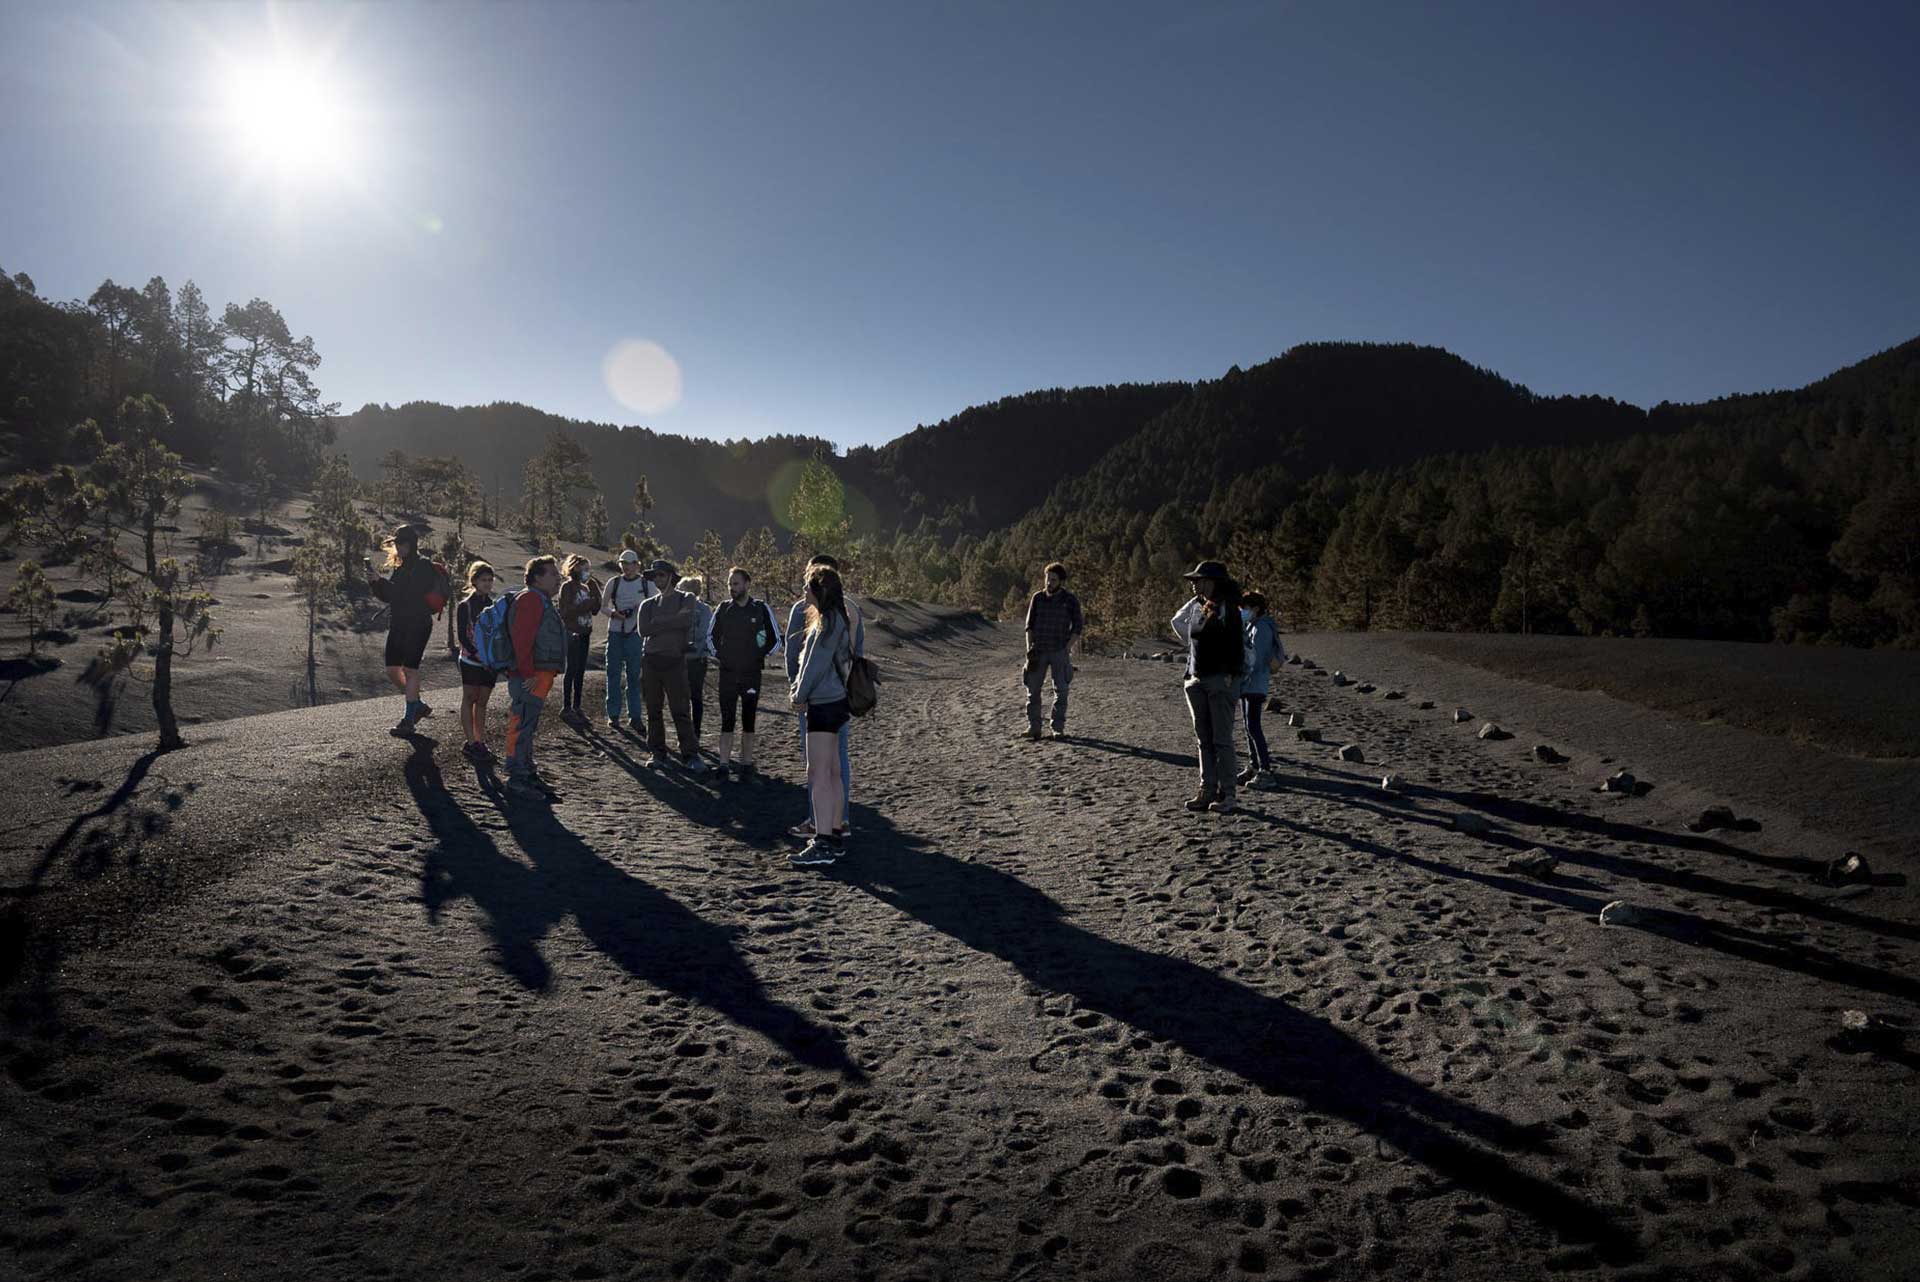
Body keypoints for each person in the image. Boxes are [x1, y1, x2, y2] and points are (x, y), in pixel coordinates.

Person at [785, 554, 862, 839]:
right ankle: (838, 824)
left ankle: (822, 833)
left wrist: (798, 694)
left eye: (807, 585)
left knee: (818, 773)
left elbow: (812, 664)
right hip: (839, 699)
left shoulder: (826, 623)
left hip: (822, 702)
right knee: (835, 769)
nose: (803, 590)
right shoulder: (846, 614)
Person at [1170, 560, 1244, 814]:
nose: (1193, 584)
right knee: (1204, 740)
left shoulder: (1229, 609)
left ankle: (1228, 794)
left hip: (1219, 680)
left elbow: (1237, 645)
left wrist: (1231, 676)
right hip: (1196, 678)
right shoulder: (1198, 606)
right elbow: (1180, 626)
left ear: (1211, 581)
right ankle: (1207, 789)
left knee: (1221, 740)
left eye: (1198, 580)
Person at [367, 523, 446, 736]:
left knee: (410, 670)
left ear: (412, 544)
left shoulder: (423, 566)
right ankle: (417, 704)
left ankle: (409, 718)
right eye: (397, 543)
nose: (399, 547)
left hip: (418, 623)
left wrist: (383, 583)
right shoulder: (401, 568)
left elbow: (409, 595)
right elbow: (390, 596)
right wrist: (376, 584)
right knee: (393, 670)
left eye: (402, 543)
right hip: (399, 623)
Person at [709, 566, 781, 782]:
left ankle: (746, 765)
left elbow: (775, 639)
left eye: (736, 584)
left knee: (749, 719)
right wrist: (721, 656)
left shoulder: (760, 608)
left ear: (748, 584)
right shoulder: (723, 609)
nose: (732, 588)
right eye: (730, 584)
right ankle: (723, 765)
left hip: (751, 675)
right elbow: (710, 637)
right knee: (727, 719)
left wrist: (759, 656)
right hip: (728, 674)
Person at [503, 555, 567, 800]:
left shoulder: (541, 600)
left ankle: (527, 772)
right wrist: (528, 673)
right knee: (521, 723)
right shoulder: (530, 599)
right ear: (537, 577)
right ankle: (516, 777)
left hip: (537, 674)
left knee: (529, 724)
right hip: (529, 676)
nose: (558, 578)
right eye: (552, 574)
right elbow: (522, 639)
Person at [637, 559, 705, 770]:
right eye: (655, 576)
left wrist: (658, 622)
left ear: (671, 577)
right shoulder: (647, 604)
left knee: (681, 710)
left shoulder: (687, 598)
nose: (658, 579)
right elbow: (643, 630)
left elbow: (684, 621)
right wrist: (670, 621)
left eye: (662, 575)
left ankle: (690, 755)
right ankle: (657, 753)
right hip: (651, 662)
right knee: (653, 710)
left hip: (675, 662)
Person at [1022, 561, 1083, 740]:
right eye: (1048, 579)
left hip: (1059, 651)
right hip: (1038, 651)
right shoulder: (1037, 598)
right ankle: (1034, 727)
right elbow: (1029, 625)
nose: (1049, 583)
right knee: (1032, 690)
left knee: (1061, 690)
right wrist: (1029, 649)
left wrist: (1067, 647)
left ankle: (1057, 728)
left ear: (1060, 581)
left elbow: (1078, 626)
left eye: (1053, 580)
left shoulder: (1069, 600)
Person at [602, 548, 656, 734]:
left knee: (634, 676)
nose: (627, 567)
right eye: (624, 564)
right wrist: (614, 614)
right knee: (613, 674)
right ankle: (614, 715)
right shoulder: (614, 583)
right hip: (616, 632)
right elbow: (603, 606)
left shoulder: (646, 583)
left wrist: (639, 609)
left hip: (636, 634)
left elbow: (656, 604)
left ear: (637, 565)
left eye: (630, 564)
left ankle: (635, 716)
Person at [452, 560, 499, 762]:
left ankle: (480, 741)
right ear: (474, 581)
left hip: (490, 662)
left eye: (490, 580)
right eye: (483, 580)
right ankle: (471, 742)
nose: (487, 583)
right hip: (471, 660)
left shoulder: (495, 606)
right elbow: (462, 636)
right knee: (469, 697)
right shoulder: (465, 606)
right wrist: (476, 654)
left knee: (483, 701)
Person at [1237, 590, 1284, 788]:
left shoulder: (1262, 628)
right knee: (1249, 727)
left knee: (1254, 727)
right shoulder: (1252, 626)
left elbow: (1256, 657)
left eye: (1245, 608)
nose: (1242, 611)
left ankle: (1265, 770)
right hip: (1247, 683)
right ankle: (1254, 765)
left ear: (1255, 608)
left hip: (1255, 683)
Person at [558, 554, 603, 724]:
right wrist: (586, 605)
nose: (585, 572)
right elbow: (566, 611)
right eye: (582, 568)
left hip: (585, 632)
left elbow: (595, 609)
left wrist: (595, 594)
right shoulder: (567, 587)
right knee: (572, 669)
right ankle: (566, 707)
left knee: (580, 671)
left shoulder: (585, 588)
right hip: (572, 633)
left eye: (587, 568)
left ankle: (577, 706)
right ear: (573, 567)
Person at [679, 575, 715, 745]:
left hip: (696, 659)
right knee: (681, 698)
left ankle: (695, 732)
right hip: (679, 659)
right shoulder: (677, 609)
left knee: (695, 696)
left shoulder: (704, 610)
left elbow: (703, 633)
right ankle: (685, 733)